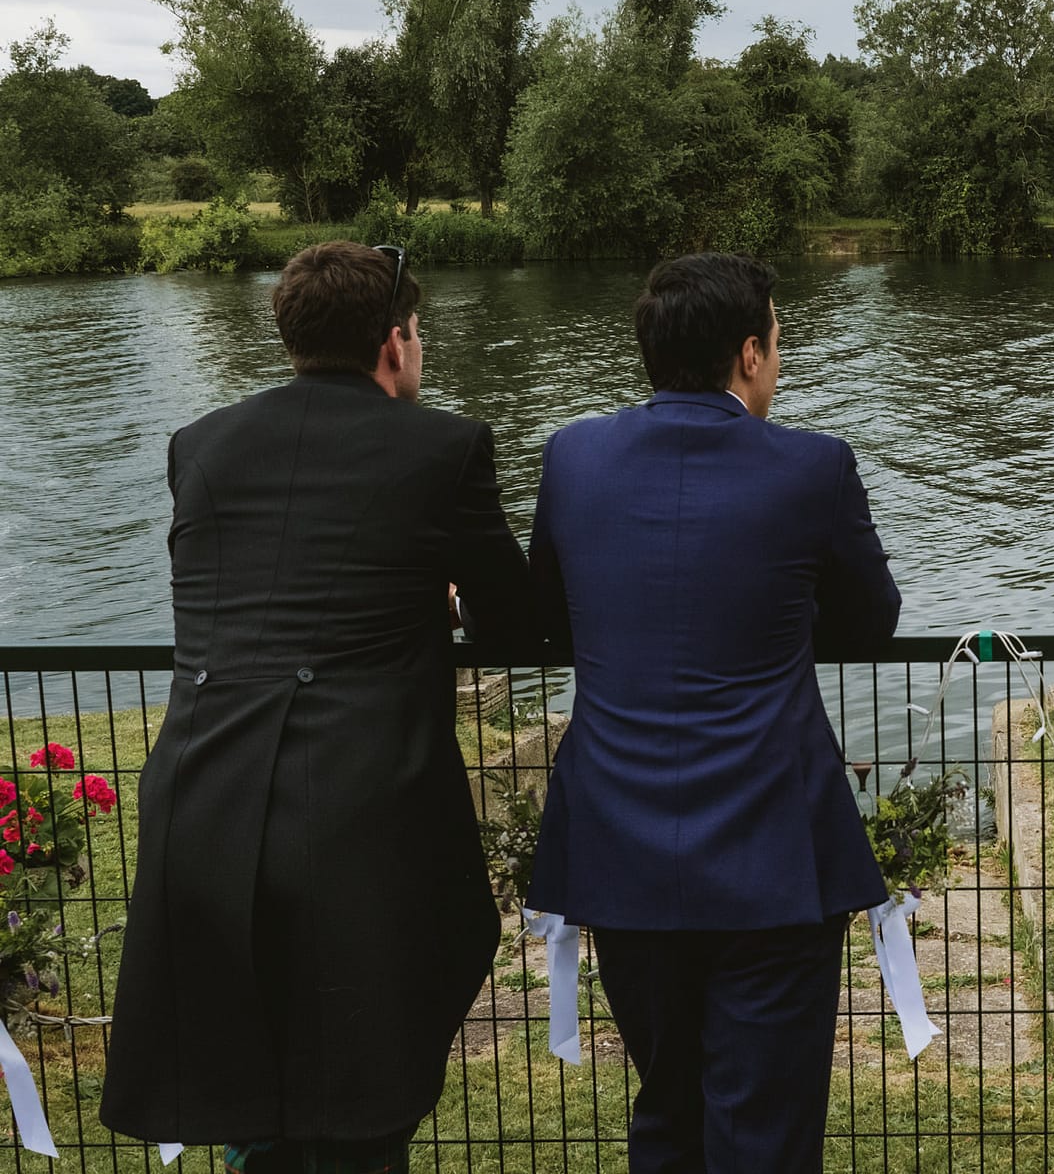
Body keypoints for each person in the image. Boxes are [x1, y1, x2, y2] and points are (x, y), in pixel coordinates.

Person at [101, 242, 536, 1168]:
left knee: (250, 1075)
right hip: (351, 810)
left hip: (201, 797)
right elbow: (516, 624)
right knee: (357, 1100)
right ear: (395, 343)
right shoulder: (446, 445)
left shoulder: (201, 444)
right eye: (418, 335)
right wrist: (447, 605)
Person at [524, 252, 901, 1174]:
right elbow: (871, 617)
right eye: (778, 339)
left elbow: (547, 615)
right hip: (773, 846)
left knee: (668, 1107)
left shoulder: (574, 456)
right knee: (764, 1126)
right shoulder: (813, 466)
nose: (779, 358)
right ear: (747, 355)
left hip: (619, 842)